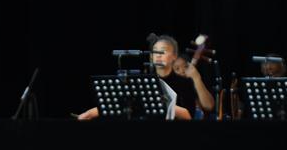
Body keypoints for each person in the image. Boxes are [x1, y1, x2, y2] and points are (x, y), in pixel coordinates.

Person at [78, 34, 214, 120]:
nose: (158, 55)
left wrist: (196, 78)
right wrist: (91, 112)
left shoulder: (184, 82)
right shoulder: (143, 80)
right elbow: (123, 103)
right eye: (155, 52)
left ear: (174, 56)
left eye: (163, 51)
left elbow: (197, 112)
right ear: (150, 56)